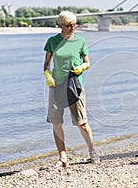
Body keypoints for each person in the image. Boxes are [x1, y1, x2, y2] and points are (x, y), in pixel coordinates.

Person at [43, 10, 100, 166]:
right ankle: (62, 157)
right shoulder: (52, 41)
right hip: (56, 86)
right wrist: (47, 74)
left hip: (75, 85)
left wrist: (81, 67)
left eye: (75, 25)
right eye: (69, 25)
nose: (73, 28)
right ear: (60, 25)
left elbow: (87, 63)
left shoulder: (80, 41)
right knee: (56, 123)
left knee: (81, 123)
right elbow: (46, 64)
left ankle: (92, 151)